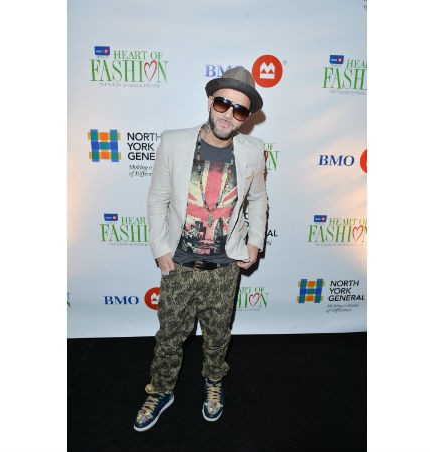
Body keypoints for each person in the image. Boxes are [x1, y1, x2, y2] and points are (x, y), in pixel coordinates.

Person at [134, 66, 268, 432]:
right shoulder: (175, 142)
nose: (228, 114)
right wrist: (159, 247)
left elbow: (258, 200)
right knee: (168, 337)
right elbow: (157, 198)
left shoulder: (254, 151)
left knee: (218, 336)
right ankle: (161, 390)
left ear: (247, 116)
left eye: (239, 109)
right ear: (210, 101)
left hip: (225, 267)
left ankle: (213, 382)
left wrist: (255, 242)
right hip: (179, 263)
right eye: (223, 103)